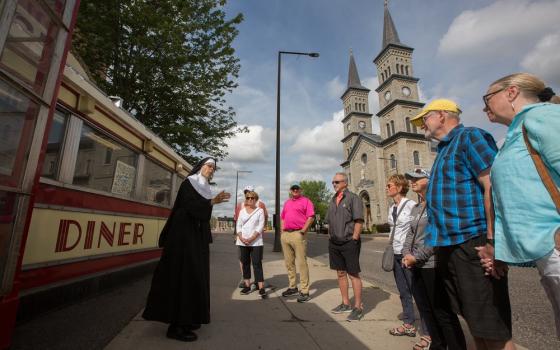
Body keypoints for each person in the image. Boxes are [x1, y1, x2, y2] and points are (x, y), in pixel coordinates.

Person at [410, 99, 515, 350]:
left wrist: (493, 241)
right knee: (474, 324)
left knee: (492, 328)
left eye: (425, 118)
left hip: (473, 242)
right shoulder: (443, 150)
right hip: (448, 246)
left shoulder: (470, 137)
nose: (421, 124)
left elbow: (493, 186)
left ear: (443, 115)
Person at [480, 73, 560, 339]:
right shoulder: (515, 132)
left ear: (511, 93)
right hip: (546, 252)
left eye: (487, 98)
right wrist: (499, 250)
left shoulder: (542, 118)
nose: (485, 107)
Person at [142, 157, 230, 342]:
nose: (211, 170)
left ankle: (189, 318)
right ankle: (176, 326)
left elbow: (203, 215)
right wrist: (211, 202)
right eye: (209, 166)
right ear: (200, 167)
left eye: (214, 168)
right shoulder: (189, 183)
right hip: (182, 241)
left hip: (195, 241)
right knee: (183, 279)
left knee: (195, 278)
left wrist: (210, 203)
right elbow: (189, 208)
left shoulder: (205, 188)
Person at [402, 168, 466, 350]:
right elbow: (410, 233)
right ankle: (437, 345)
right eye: (410, 179)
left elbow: (438, 236)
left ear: (429, 180)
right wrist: (407, 253)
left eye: (416, 178)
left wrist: (417, 256)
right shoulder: (416, 207)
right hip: (415, 265)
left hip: (433, 265)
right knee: (426, 310)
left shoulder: (438, 204)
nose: (412, 181)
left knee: (442, 312)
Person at [325, 172, 364, 321]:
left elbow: (359, 220)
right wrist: (330, 236)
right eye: (333, 182)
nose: (334, 184)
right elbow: (329, 220)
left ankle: (358, 307)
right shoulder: (333, 199)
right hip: (334, 243)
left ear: (345, 183)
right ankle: (345, 303)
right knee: (340, 273)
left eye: (337, 182)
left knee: (353, 274)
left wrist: (354, 238)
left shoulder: (353, 198)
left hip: (349, 242)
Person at [386, 174, 417, 337]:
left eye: (389, 185)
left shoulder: (411, 205)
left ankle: (428, 330)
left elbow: (416, 230)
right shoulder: (391, 208)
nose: (387, 188)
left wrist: (411, 253)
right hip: (396, 254)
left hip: (407, 254)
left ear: (399, 187)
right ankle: (408, 324)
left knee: (416, 291)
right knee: (403, 291)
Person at [280, 182, 315, 303]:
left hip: (298, 234)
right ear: (290, 191)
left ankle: (305, 291)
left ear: (300, 190)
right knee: (289, 263)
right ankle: (292, 287)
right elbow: (283, 217)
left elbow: (311, 216)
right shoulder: (287, 202)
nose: (295, 190)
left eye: (297, 189)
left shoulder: (306, 201)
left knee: (301, 263)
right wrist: (282, 232)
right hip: (286, 235)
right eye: (293, 189)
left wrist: (303, 231)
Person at [234, 185, 269, 289]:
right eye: (246, 193)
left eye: (250, 193)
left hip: (256, 239)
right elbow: (237, 221)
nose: (248, 195)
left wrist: (259, 231)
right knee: (243, 261)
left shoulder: (260, 205)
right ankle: (245, 281)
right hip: (242, 239)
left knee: (256, 262)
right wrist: (238, 236)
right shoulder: (240, 205)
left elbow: (264, 219)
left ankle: (259, 283)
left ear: (254, 194)